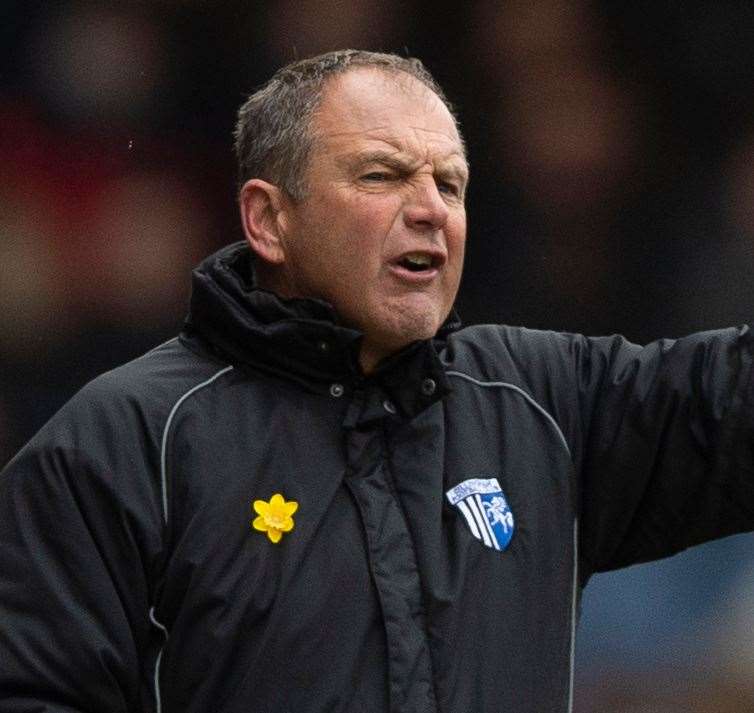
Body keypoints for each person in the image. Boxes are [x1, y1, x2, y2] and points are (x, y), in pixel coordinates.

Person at [1, 49, 753, 713]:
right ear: (268, 220)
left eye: (450, 185)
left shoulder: (546, 404)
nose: (430, 209)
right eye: (382, 175)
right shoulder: (130, 441)